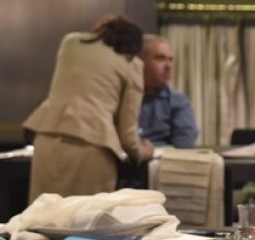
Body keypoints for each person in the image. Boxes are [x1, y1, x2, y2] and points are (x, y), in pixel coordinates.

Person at [24, 15, 154, 202]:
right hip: (94, 144)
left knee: (43, 212)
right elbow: (127, 133)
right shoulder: (132, 65)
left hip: (48, 137)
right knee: (87, 215)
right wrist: (143, 152)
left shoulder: (70, 43)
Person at [138, 34, 198, 148]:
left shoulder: (177, 101)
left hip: (164, 158)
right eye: (160, 58)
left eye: (170, 60)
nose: (168, 66)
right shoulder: (119, 96)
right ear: (140, 62)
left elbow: (184, 146)